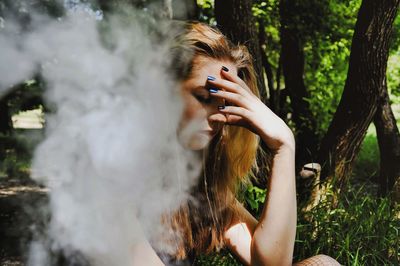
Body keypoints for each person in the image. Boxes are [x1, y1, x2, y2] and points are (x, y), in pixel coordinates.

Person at [132, 21, 341, 266]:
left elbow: (271, 263)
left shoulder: (198, 185)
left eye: (224, 104)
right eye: (203, 97)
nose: (219, 116)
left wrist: (284, 145)